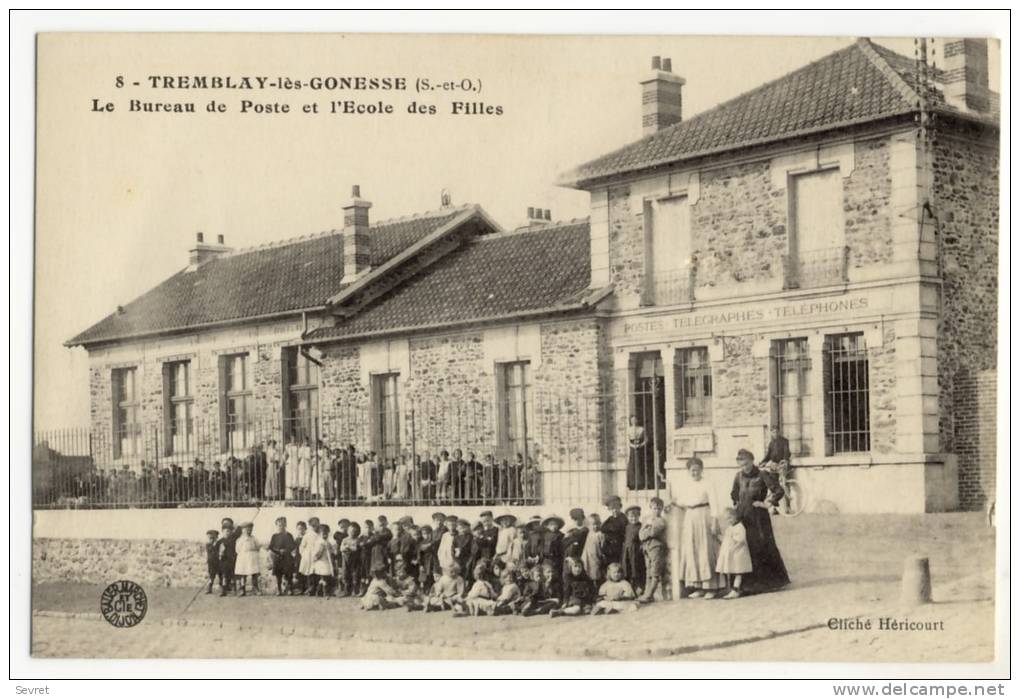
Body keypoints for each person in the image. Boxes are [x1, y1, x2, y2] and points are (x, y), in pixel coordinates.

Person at [731, 448, 790, 593]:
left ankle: (771, 582)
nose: (745, 467)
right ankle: (747, 582)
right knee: (745, 548)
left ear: (752, 461)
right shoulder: (738, 476)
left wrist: (766, 503)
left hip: (759, 517)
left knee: (763, 546)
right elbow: (734, 494)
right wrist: (737, 507)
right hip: (744, 517)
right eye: (742, 464)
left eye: (747, 463)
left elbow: (778, 491)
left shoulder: (762, 474)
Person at [673, 457, 727, 599]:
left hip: (705, 516)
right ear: (688, 471)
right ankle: (698, 587)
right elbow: (681, 501)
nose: (695, 472)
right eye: (692, 470)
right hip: (690, 517)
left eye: (697, 470)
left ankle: (711, 587)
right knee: (693, 550)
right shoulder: (686, 484)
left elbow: (714, 504)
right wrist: (674, 502)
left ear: (701, 470)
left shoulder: (708, 483)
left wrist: (714, 521)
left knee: (706, 550)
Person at [716, 507, 753, 599]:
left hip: (738, 553)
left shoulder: (739, 527)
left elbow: (741, 540)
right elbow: (726, 539)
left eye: (730, 518)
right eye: (727, 519)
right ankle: (733, 589)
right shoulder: (730, 527)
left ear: (735, 517)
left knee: (738, 572)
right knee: (733, 571)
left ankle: (736, 590)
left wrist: (733, 548)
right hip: (732, 554)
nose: (729, 521)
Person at [638, 497, 668, 602]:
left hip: (656, 547)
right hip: (647, 548)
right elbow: (641, 535)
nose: (656, 511)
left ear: (662, 509)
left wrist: (647, 529)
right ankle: (647, 593)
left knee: (655, 571)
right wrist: (647, 526)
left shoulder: (661, 521)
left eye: (659, 509)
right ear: (650, 508)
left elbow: (653, 533)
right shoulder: (646, 519)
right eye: (654, 508)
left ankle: (649, 595)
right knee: (648, 571)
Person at [268, 516, 296, 595]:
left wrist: (287, 550)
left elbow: (293, 546)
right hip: (278, 557)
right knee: (278, 575)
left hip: (287, 557)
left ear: (285, 525)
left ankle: (290, 589)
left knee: (289, 574)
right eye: (279, 525)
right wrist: (278, 551)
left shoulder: (289, 535)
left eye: (283, 525)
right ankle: (279, 589)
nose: (281, 527)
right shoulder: (274, 536)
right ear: (276, 525)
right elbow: (271, 547)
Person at [561, 508, 588, 590]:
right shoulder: (570, 531)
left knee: (579, 577)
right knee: (568, 577)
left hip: (580, 557)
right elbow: (564, 544)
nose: (577, 521)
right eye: (575, 519)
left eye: (579, 519)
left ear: (583, 519)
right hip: (569, 558)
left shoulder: (586, 531)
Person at [620, 505, 645, 595]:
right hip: (627, 551)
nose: (633, 518)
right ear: (627, 517)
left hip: (636, 552)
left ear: (639, 516)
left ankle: (639, 588)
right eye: (631, 516)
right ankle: (629, 590)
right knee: (627, 569)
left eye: (635, 516)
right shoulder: (627, 527)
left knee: (636, 569)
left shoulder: (641, 526)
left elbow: (643, 539)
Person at [234, 521, 262, 596]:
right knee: (243, 573)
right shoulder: (239, 539)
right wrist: (243, 553)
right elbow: (237, 549)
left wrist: (253, 551)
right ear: (242, 530)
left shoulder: (254, 539)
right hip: (243, 557)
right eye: (246, 529)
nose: (248, 531)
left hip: (252, 557)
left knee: (254, 573)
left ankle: (255, 588)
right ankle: (242, 589)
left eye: (250, 529)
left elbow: (258, 547)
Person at [580, 512, 606, 586]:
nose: (595, 526)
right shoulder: (589, 533)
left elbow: (602, 547)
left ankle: (596, 590)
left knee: (595, 574)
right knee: (587, 574)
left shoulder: (600, 534)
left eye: (597, 524)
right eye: (593, 524)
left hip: (595, 557)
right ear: (588, 525)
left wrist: (601, 556)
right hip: (587, 557)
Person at [601, 495, 627, 565]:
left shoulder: (623, 518)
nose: (615, 510)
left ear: (620, 507)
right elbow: (603, 528)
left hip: (619, 547)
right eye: (612, 509)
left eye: (616, 508)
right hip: (609, 548)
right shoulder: (609, 519)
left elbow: (620, 530)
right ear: (609, 509)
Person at [626, 415, 648, 491]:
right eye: (632, 420)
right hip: (632, 448)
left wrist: (640, 445)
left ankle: (641, 484)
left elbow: (646, 439)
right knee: (632, 465)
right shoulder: (628, 430)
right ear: (630, 421)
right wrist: (632, 445)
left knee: (640, 465)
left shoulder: (642, 429)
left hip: (640, 448)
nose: (634, 421)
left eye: (635, 420)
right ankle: (632, 484)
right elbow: (627, 440)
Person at [339, 521, 362, 597]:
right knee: (345, 574)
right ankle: (346, 591)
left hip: (355, 560)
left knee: (355, 575)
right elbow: (341, 548)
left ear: (357, 532)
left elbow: (355, 548)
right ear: (348, 531)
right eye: (350, 531)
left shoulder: (357, 540)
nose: (352, 533)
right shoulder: (345, 539)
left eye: (354, 531)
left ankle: (355, 591)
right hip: (345, 559)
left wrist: (348, 547)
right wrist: (345, 547)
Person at [291, 520, 307, 594]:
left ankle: (306, 588)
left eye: (302, 529)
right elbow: (294, 548)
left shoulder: (307, 537)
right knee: (299, 572)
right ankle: (301, 589)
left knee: (305, 572)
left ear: (305, 529)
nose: (300, 530)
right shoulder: (297, 539)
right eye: (299, 529)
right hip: (298, 557)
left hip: (305, 557)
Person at [204, 529, 220, 594]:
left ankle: (223, 588)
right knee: (211, 576)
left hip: (218, 562)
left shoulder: (218, 544)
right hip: (211, 562)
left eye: (213, 538)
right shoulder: (208, 545)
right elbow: (211, 552)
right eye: (210, 538)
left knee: (220, 575)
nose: (212, 540)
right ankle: (209, 588)